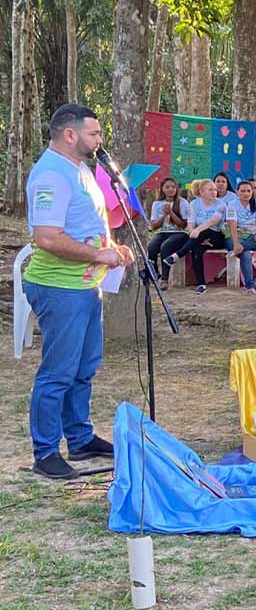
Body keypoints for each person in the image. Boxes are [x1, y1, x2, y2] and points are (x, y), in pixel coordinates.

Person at [23, 104, 135, 479]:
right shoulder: (51, 175)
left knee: (84, 368)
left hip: (87, 285)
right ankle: (46, 452)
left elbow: (88, 222)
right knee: (59, 371)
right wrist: (97, 253)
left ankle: (80, 438)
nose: (100, 141)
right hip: (59, 286)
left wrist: (113, 248)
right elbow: (48, 237)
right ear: (70, 134)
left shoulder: (83, 170)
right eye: (94, 133)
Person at [163, 179, 228, 294]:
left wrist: (197, 231)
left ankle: (176, 256)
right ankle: (201, 284)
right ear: (201, 192)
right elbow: (190, 222)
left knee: (205, 231)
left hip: (216, 236)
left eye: (215, 190)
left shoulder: (221, 204)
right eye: (210, 190)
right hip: (199, 238)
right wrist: (193, 232)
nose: (214, 192)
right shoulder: (194, 204)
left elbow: (214, 221)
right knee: (196, 250)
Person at [147, 177, 190, 290]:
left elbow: (183, 225)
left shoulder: (183, 202)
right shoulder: (157, 204)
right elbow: (154, 226)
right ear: (162, 189)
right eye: (167, 187)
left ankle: (164, 280)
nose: (170, 189)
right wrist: (165, 216)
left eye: (173, 187)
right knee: (152, 246)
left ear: (176, 189)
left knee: (165, 246)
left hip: (179, 233)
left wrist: (171, 213)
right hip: (163, 232)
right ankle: (154, 272)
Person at [225, 180, 256, 294]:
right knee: (245, 253)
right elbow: (232, 226)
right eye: (242, 191)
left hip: (252, 236)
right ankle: (250, 286)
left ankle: (237, 250)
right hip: (236, 236)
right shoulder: (232, 205)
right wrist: (237, 243)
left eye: (249, 191)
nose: (246, 193)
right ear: (237, 192)